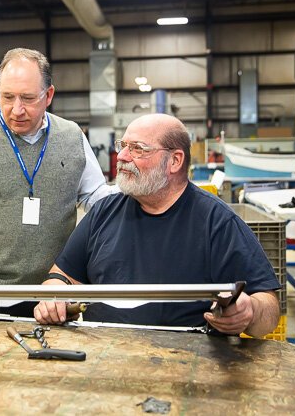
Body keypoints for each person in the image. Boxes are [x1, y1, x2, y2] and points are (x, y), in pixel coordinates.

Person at [34, 114, 281, 338]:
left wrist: (250, 311)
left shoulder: (217, 223)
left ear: (175, 160)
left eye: (138, 149)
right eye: (123, 146)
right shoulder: (103, 212)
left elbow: (268, 312)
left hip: (187, 363)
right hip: (105, 358)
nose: (121, 157)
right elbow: (62, 275)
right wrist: (54, 295)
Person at [0, 47, 116, 318]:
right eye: (7, 97)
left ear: (48, 95)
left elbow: (95, 197)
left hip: (55, 295)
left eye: (28, 98)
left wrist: (135, 194)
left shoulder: (72, 137)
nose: (16, 110)